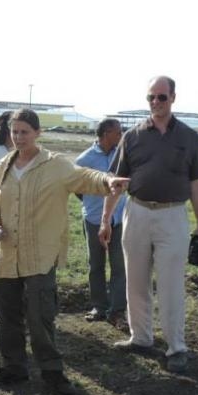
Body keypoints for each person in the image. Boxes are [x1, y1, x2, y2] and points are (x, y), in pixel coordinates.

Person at [0, 109, 129, 395]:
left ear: (38, 133)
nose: (19, 137)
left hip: (40, 255)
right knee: (8, 314)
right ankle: (13, 367)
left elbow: (84, 176)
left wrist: (107, 181)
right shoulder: (3, 165)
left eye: (25, 131)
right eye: (15, 132)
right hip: (5, 254)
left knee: (40, 316)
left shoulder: (55, 165)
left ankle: (52, 373)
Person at [99, 76, 198, 374]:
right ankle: (141, 338)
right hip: (137, 213)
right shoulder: (132, 137)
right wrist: (106, 219)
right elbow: (117, 183)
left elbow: (197, 185)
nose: (156, 103)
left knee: (171, 284)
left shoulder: (189, 138)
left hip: (172, 215)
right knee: (135, 280)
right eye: (151, 97)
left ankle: (176, 347)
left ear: (173, 97)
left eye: (161, 97)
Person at [75, 118, 127, 325]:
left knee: (119, 266)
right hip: (94, 219)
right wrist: (92, 205)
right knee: (95, 265)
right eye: (118, 132)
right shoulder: (84, 159)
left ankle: (117, 310)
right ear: (106, 134)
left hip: (120, 219)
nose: (121, 135)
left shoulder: (122, 155)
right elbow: (77, 188)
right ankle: (99, 306)